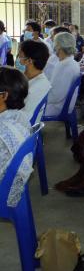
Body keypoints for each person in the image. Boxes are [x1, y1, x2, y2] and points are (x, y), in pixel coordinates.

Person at [0, 66, 31, 208]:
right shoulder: (20, 116)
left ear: (4, 96)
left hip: (4, 191)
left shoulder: (4, 129)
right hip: (12, 184)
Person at [44, 32, 81, 116]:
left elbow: (55, 96)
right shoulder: (68, 62)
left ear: (59, 46)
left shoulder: (66, 66)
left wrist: (39, 97)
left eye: (54, 43)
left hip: (56, 107)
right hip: (59, 103)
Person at [16, 40, 51, 123]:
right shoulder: (27, 77)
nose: (17, 56)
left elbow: (23, 118)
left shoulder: (38, 86)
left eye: (20, 54)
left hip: (20, 125)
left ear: (29, 61)